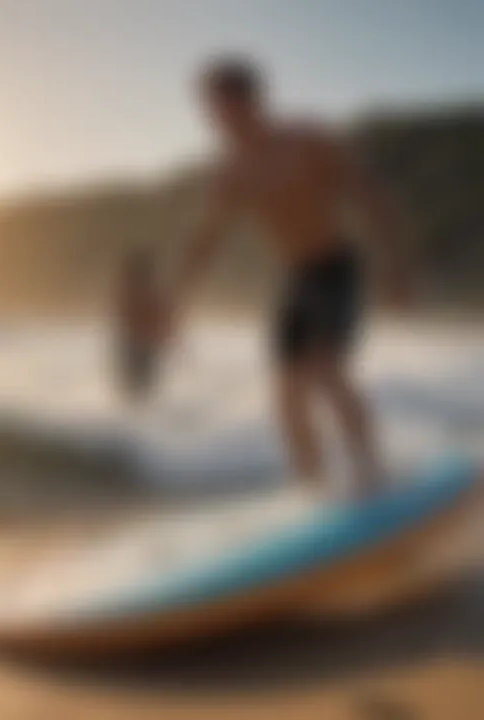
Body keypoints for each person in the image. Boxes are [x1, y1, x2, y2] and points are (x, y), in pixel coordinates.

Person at [161, 56, 410, 497]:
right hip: (295, 278)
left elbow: (370, 195)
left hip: (335, 267)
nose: (214, 119)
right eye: (209, 109)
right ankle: (313, 490)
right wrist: (175, 297)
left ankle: (373, 471)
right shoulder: (233, 169)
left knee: (326, 369)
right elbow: (207, 240)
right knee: (285, 393)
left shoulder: (308, 140)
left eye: (219, 107)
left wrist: (395, 266)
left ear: (249, 100)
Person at [114, 247, 163, 403]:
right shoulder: (135, 290)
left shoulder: (140, 290)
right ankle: (135, 413)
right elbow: (124, 315)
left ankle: (135, 414)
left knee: (138, 386)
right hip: (137, 343)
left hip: (140, 343)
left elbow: (157, 316)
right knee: (138, 386)